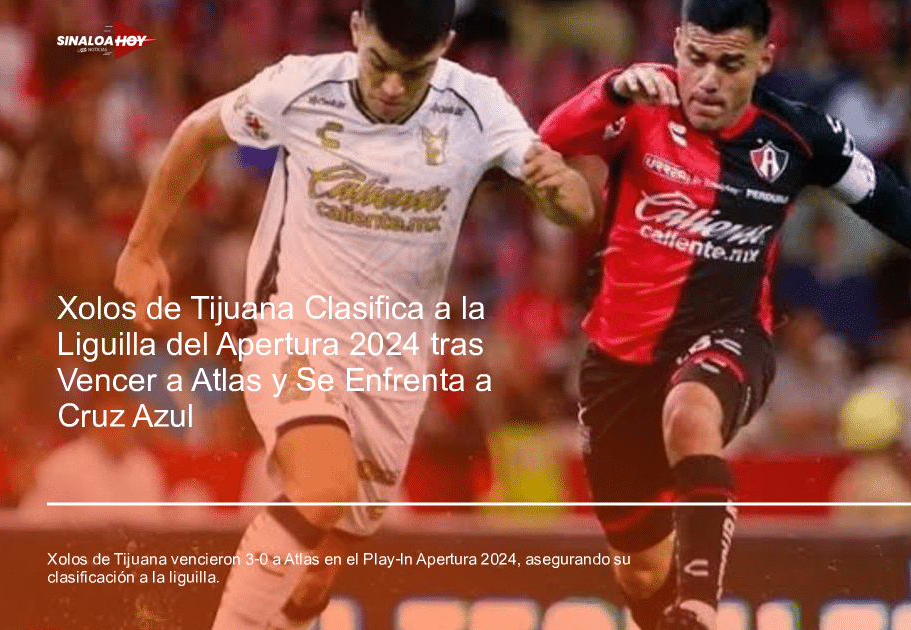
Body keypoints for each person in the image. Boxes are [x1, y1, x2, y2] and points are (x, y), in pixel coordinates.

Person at [538, 1, 911, 628]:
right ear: (675, 45)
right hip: (617, 363)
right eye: (696, 58)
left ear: (764, 57)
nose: (707, 80)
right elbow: (550, 142)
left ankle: (701, 609)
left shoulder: (797, 134)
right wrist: (612, 89)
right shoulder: (639, 101)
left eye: (729, 64)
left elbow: (886, 198)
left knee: (689, 413)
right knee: (641, 569)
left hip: (729, 336)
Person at [114, 0, 594, 628]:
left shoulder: (478, 106)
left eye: (413, 72)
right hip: (293, 328)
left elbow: (577, 205)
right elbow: (197, 132)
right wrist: (140, 248)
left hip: (392, 367)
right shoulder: (300, 86)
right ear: (356, 30)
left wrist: (561, 196)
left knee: (313, 578)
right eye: (380, 65)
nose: (393, 87)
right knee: (323, 485)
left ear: (445, 47)